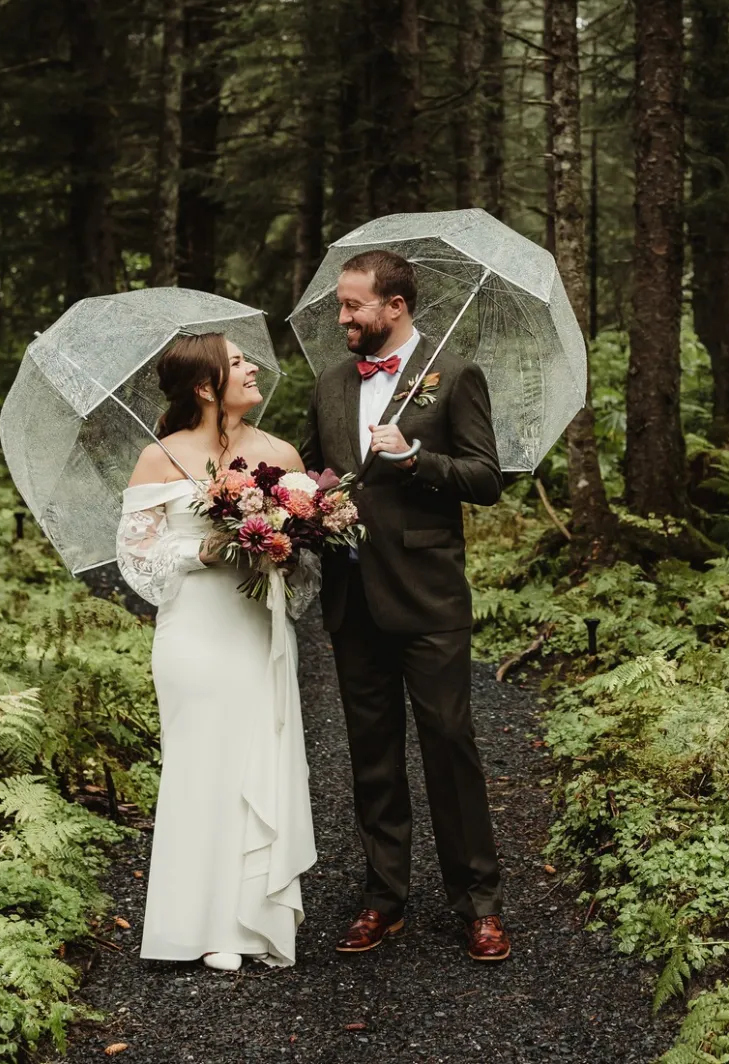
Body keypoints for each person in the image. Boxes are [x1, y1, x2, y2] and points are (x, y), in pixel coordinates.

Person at [300, 249, 511, 961]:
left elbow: (487, 478)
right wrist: (299, 506)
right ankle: (382, 898)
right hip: (351, 594)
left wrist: (416, 461)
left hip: (428, 596)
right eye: (340, 305)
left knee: (449, 745)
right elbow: (312, 472)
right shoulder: (330, 384)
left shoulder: (454, 378)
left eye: (353, 305)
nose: (343, 318)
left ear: (395, 306)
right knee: (372, 755)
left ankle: (478, 903)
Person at [117, 333, 317, 971]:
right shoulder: (159, 460)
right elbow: (137, 560)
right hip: (195, 633)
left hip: (257, 627)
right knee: (202, 768)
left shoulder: (280, 453)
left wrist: (283, 542)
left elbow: (309, 559)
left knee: (257, 761)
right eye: (237, 362)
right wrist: (198, 550)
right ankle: (197, 925)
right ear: (205, 387)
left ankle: (252, 922)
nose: (253, 367)